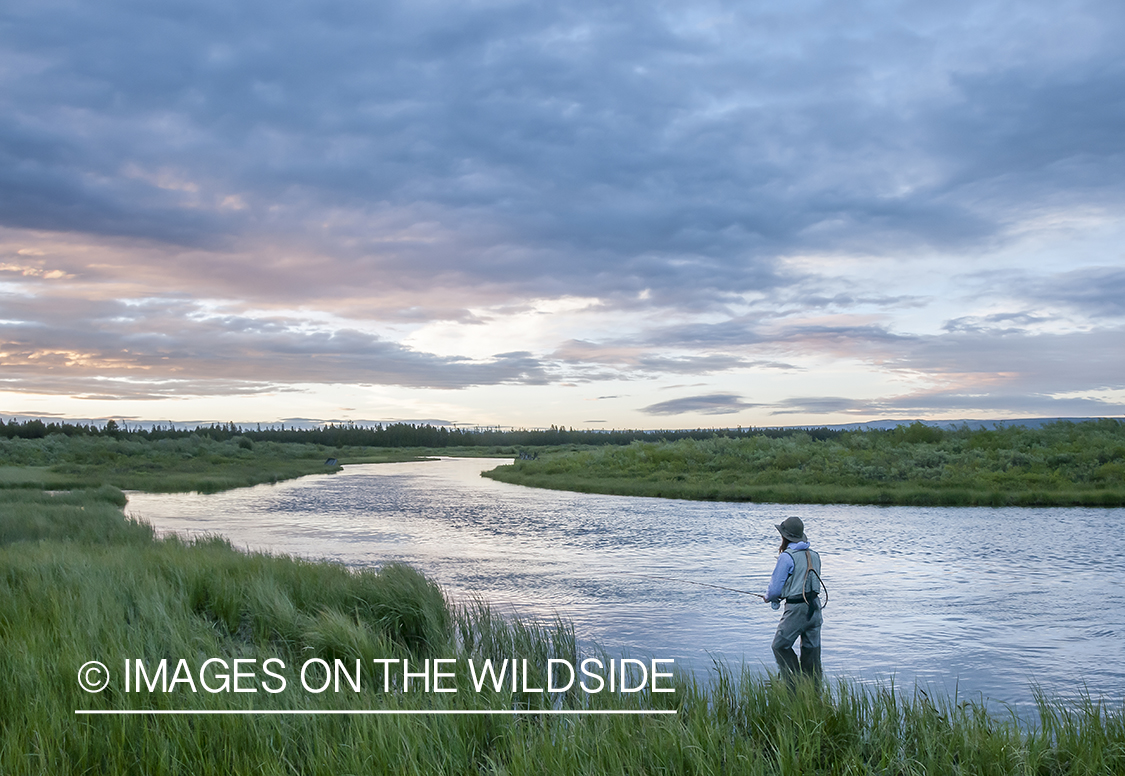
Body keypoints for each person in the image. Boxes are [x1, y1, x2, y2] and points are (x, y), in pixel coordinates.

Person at [758, 516, 822, 688]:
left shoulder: (786, 557)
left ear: (785, 537)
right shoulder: (815, 555)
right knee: (812, 650)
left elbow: (775, 589)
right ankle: (813, 690)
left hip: (797, 609)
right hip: (816, 608)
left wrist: (768, 597)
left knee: (779, 646)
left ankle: (792, 683)